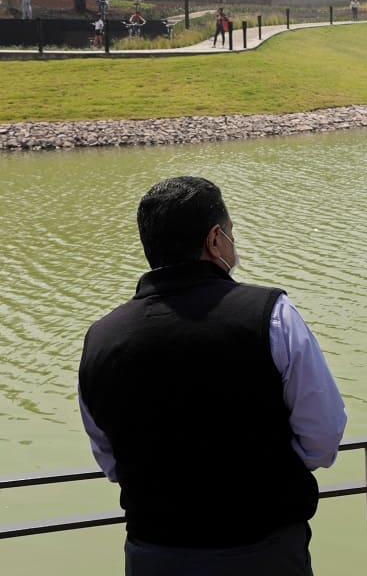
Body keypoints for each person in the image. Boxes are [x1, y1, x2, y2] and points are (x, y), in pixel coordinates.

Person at [78, 176, 346, 576]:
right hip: (264, 547)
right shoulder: (271, 314)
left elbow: (110, 458)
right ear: (215, 240)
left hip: (155, 551)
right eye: (231, 233)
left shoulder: (102, 337)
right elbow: (322, 436)